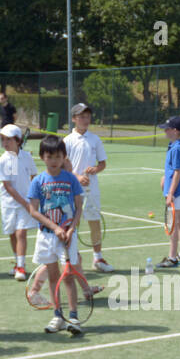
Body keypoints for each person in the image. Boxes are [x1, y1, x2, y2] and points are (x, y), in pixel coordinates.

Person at [26, 136, 86, 335]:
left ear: (64, 157)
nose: (54, 160)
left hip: (67, 237)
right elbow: (33, 211)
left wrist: (69, 230)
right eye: (50, 156)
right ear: (42, 157)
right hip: (46, 236)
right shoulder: (38, 181)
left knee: (67, 276)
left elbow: (79, 207)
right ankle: (58, 315)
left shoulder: (71, 179)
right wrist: (54, 227)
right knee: (53, 277)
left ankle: (74, 317)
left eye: (58, 156)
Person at [64, 102, 111, 272]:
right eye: (82, 116)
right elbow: (63, 165)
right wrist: (76, 177)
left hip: (92, 189)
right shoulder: (67, 141)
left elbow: (103, 163)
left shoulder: (95, 139)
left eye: (88, 116)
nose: (86, 119)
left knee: (94, 222)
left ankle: (98, 259)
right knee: (71, 224)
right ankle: (71, 258)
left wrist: (96, 169)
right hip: (72, 189)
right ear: (74, 119)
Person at [0, 123, 37, 281]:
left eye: (9, 140)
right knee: (12, 234)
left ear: (18, 141)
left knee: (21, 233)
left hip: (25, 202)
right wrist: (25, 203)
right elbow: (8, 186)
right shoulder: (3, 161)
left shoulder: (27, 157)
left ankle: (21, 266)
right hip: (9, 203)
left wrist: (33, 199)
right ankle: (17, 262)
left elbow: (34, 176)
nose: (5, 143)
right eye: (3, 139)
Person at [158, 116, 180, 267]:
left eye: (167, 128)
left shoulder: (177, 148)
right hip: (177, 190)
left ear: (175, 131)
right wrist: (165, 177)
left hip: (176, 192)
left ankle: (172, 258)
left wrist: (170, 193)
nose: (165, 130)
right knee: (179, 224)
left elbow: (178, 172)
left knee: (174, 225)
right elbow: (172, 170)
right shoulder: (173, 146)